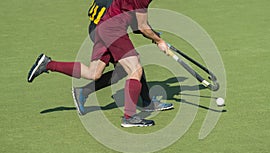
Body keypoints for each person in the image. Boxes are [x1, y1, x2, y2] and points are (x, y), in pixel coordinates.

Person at [28, 0, 170, 127]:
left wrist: (154, 36)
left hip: (103, 27)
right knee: (135, 69)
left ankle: (48, 64)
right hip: (114, 30)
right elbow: (142, 25)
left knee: (94, 73)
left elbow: (136, 22)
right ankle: (129, 117)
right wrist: (159, 41)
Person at [71, 0, 173, 115]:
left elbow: (134, 20)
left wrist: (153, 36)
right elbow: (138, 24)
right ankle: (142, 106)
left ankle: (81, 90)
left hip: (104, 27)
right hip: (105, 29)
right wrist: (156, 39)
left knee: (125, 68)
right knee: (132, 66)